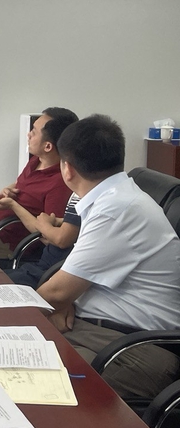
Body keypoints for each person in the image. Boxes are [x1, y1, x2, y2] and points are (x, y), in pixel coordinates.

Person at [38, 114, 180, 400]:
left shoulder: (116, 209)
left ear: (67, 169)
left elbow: (56, 292)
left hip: (133, 349)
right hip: (102, 331)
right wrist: (63, 301)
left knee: (31, 379)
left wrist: (47, 304)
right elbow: (67, 287)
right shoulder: (112, 197)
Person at [0, 107, 78, 262]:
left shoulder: (59, 184)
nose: (28, 134)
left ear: (48, 146)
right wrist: (8, 189)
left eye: (34, 132)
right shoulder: (36, 161)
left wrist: (13, 205)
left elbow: (47, 235)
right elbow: (21, 183)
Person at [4, 192, 80, 288]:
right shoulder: (79, 195)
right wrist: (59, 221)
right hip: (42, 266)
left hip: (50, 272)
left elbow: (60, 240)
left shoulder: (82, 196)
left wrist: (44, 224)